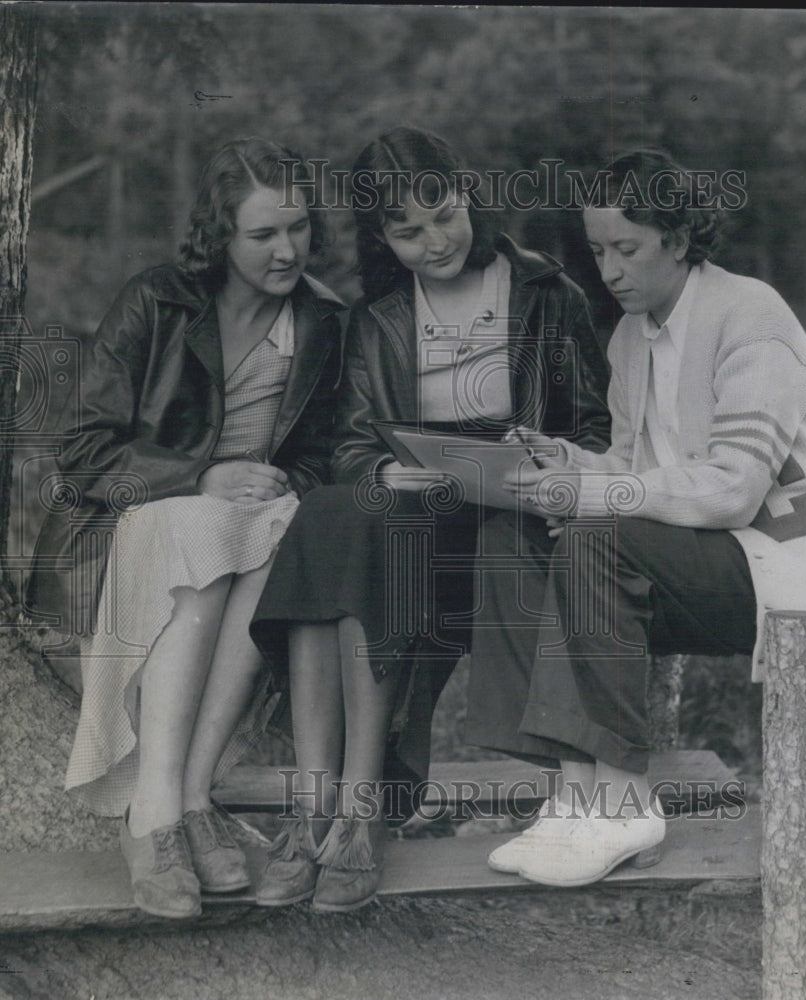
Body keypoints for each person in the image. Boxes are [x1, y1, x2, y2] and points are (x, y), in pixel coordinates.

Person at [463, 149, 806, 887]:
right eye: (596, 251)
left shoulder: (750, 313)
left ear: (678, 240)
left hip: (782, 567)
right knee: (510, 531)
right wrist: (564, 463)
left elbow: (732, 490)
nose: (609, 269)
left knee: (597, 532)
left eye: (627, 248)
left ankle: (621, 797)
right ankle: (573, 789)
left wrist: (591, 497)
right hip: (699, 557)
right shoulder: (631, 336)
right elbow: (632, 472)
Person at [249, 126, 610, 912]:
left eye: (443, 215)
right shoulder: (377, 316)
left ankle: (354, 807)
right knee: (337, 511)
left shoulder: (547, 294)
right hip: (411, 506)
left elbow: (593, 428)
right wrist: (383, 466)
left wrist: (552, 464)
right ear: (381, 237)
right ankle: (325, 811)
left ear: (465, 193)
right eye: (406, 233)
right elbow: (349, 441)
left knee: (360, 524)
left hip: (507, 522)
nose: (434, 242)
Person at [25, 138, 345, 918]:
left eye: (297, 229)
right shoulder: (157, 301)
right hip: (131, 520)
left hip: (250, 522)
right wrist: (201, 477)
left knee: (284, 539)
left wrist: (275, 486)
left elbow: (321, 453)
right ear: (219, 234)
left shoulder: (323, 321)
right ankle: (156, 812)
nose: (285, 249)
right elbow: (83, 448)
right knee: (202, 528)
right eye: (262, 234)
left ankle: (191, 798)